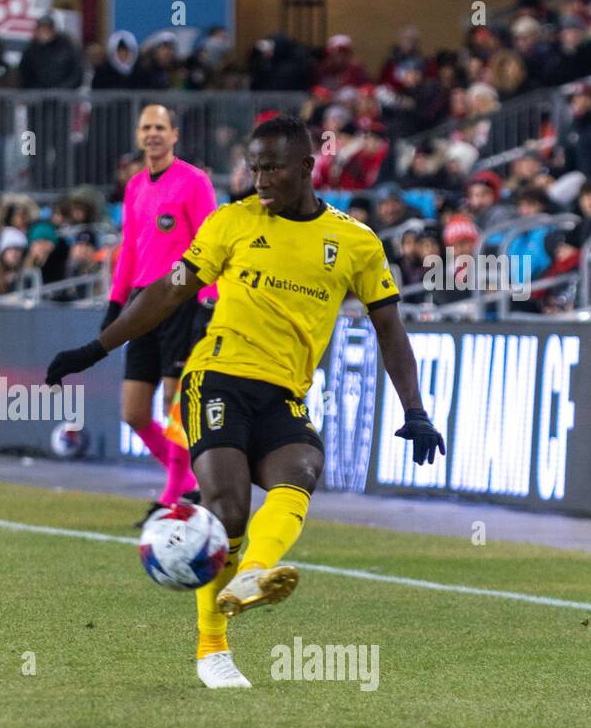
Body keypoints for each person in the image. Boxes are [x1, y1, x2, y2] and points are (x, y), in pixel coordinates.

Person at [46, 115, 443, 690]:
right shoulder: (230, 223)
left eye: (273, 167)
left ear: (308, 168)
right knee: (228, 509)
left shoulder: (355, 243)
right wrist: (97, 346)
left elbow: (391, 330)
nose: (259, 179)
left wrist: (416, 410)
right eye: (254, 167)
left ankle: (252, 574)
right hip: (218, 378)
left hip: (284, 391)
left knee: (302, 470)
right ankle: (212, 650)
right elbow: (169, 289)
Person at [104, 104, 220, 516]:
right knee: (134, 411)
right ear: (139, 135)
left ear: (174, 135)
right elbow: (130, 250)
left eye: (160, 127)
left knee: (175, 400)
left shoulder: (194, 182)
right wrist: (115, 304)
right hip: (141, 303)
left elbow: (211, 244)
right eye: (146, 127)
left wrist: (209, 300)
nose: (152, 134)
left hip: (181, 300)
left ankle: (173, 495)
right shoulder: (135, 186)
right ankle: (186, 480)